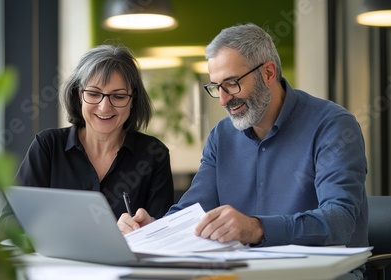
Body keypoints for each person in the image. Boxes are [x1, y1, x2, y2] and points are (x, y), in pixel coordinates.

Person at [118, 23, 368, 278]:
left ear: (268, 73)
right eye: (216, 87)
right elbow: (192, 211)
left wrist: (257, 228)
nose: (224, 100)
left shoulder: (332, 126)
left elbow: (340, 221)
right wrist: (155, 231)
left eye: (232, 83)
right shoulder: (221, 136)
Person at [0, 44, 174, 235]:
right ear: (79, 95)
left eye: (118, 96)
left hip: (125, 264)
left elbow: (165, 233)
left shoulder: (154, 155)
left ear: (133, 100)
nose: (104, 107)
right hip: (58, 264)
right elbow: (9, 221)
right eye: (94, 94)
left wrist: (147, 228)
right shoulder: (48, 147)